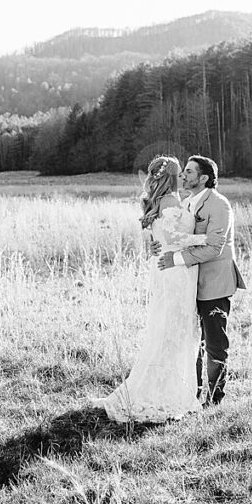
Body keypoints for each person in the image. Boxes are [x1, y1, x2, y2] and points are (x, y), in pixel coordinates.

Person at [101, 154, 200, 422]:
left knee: (167, 329)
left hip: (164, 268)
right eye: (179, 173)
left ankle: (165, 385)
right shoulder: (169, 201)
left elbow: (154, 244)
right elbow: (172, 238)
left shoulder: (157, 203)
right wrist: (207, 239)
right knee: (173, 332)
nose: (182, 178)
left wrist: (159, 246)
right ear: (168, 178)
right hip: (175, 272)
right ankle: (160, 391)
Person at [158, 154, 240, 407]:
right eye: (183, 171)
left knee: (215, 342)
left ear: (204, 178)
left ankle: (214, 400)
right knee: (191, 339)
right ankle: (190, 395)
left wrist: (177, 259)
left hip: (214, 282)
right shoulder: (188, 202)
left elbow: (215, 247)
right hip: (189, 283)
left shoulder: (218, 204)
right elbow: (180, 235)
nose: (183, 175)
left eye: (189, 172)